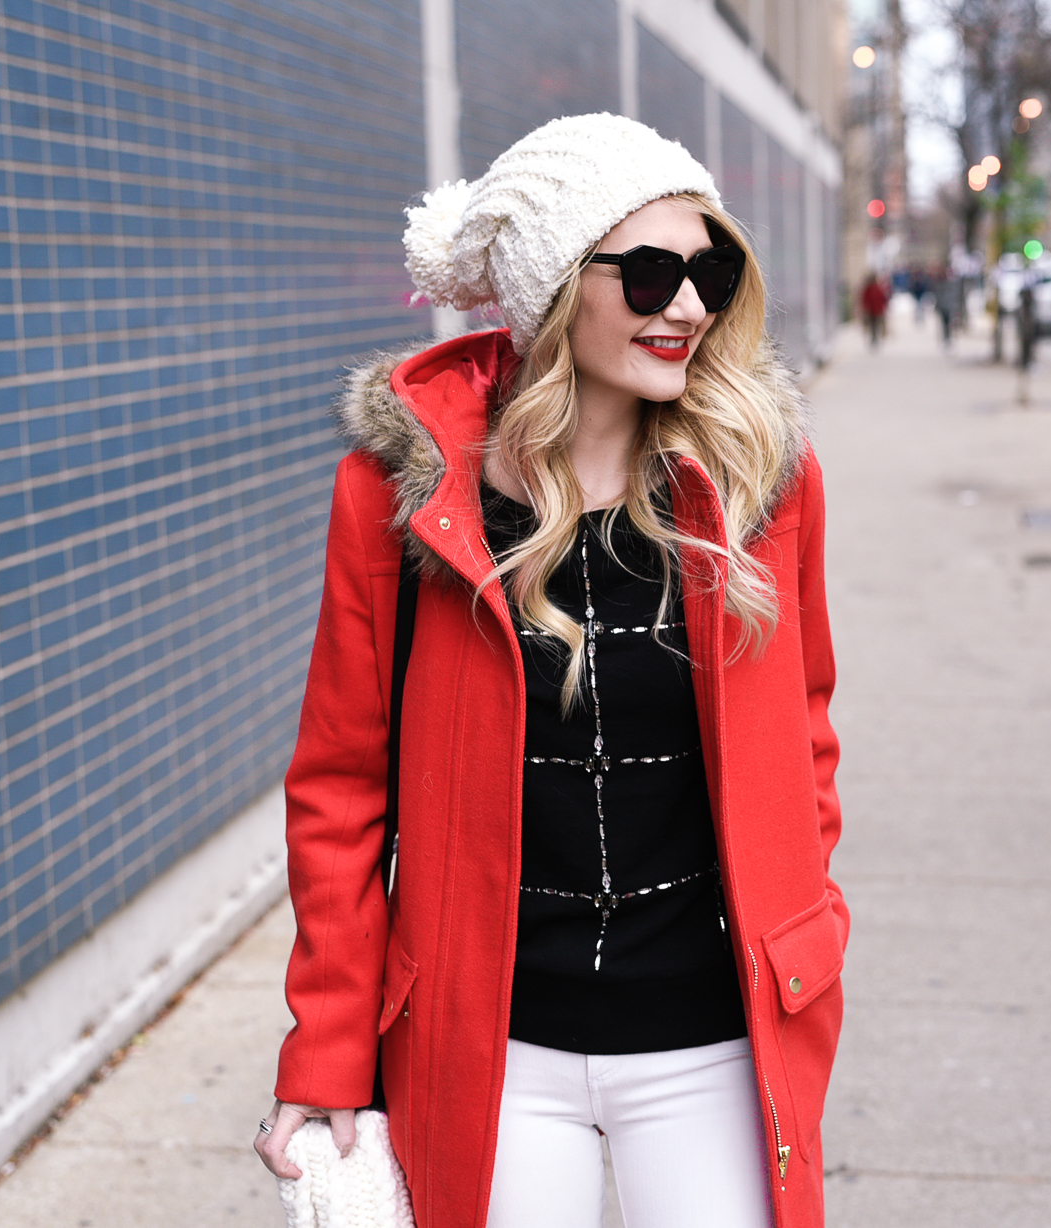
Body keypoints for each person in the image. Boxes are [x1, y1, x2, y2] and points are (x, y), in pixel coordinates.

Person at [254, 114, 848, 1228]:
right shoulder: (404, 495)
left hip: (712, 1032)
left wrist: (808, 926)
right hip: (494, 1040)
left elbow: (807, 725)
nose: (688, 306)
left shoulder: (762, 477)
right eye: (653, 273)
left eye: (711, 270)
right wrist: (326, 1046)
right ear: (554, 287)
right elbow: (340, 789)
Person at [859, 272, 889, 348]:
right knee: (873, 325)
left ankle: (876, 338)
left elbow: (883, 298)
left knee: (876, 325)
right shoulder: (869, 289)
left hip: (877, 310)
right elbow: (865, 300)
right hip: (871, 311)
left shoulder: (877, 288)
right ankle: (874, 338)